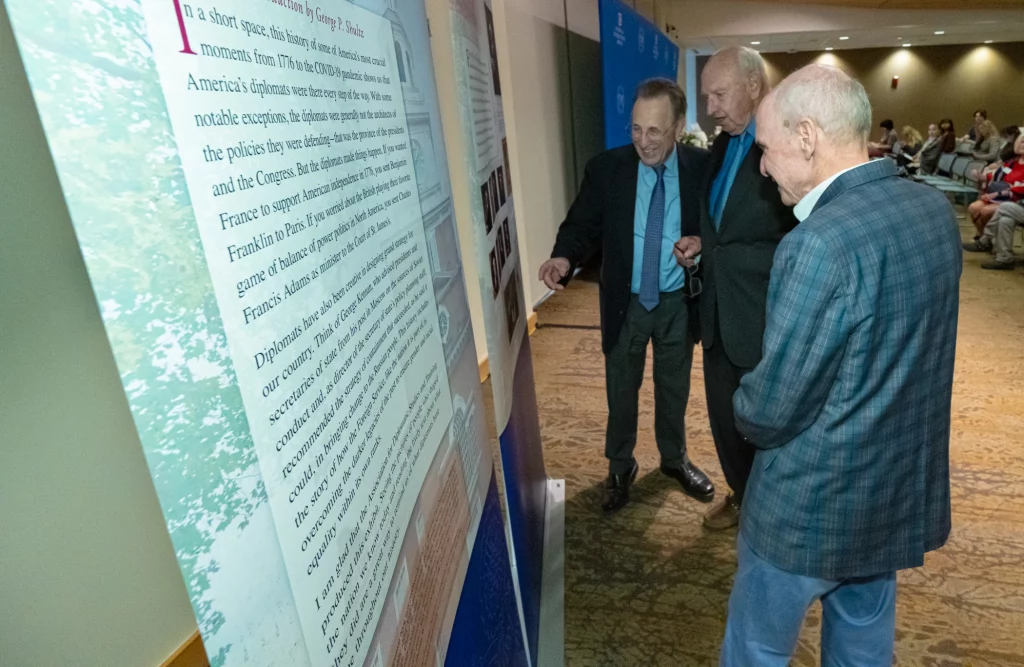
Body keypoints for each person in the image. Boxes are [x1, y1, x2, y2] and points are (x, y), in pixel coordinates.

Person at [721, 64, 960, 666]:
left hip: (808, 508)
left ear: (807, 137)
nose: (762, 167)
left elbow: (773, 409)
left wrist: (739, 404)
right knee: (862, 646)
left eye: (767, 149)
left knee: (756, 649)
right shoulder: (933, 212)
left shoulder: (818, 244)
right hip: (892, 494)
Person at [540, 78, 715, 513]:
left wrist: (701, 244)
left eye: (654, 131)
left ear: (676, 126)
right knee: (622, 389)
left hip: (677, 302)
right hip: (627, 301)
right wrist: (564, 258)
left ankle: (674, 459)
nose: (643, 141)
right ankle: (620, 465)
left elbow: (720, 230)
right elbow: (582, 225)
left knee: (673, 387)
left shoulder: (702, 168)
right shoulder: (607, 168)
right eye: (636, 129)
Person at [676, 46, 796, 531]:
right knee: (726, 419)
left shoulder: (784, 147)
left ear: (753, 87)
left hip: (763, 313)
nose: (711, 108)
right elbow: (726, 227)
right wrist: (701, 243)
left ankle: (773, 512)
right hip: (717, 311)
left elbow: (799, 235)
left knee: (768, 424)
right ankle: (743, 496)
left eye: (719, 94)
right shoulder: (724, 144)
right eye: (706, 96)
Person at [963, 133, 1024, 270]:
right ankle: (1005, 258)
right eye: (1021, 141)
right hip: (1014, 204)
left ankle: (985, 240)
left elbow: (1020, 188)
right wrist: (983, 177)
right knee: (1005, 220)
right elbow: (997, 175)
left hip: (1014, 200)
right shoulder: (1012, 162)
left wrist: (998, 193)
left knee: (1004, 208)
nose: (1022, 144)